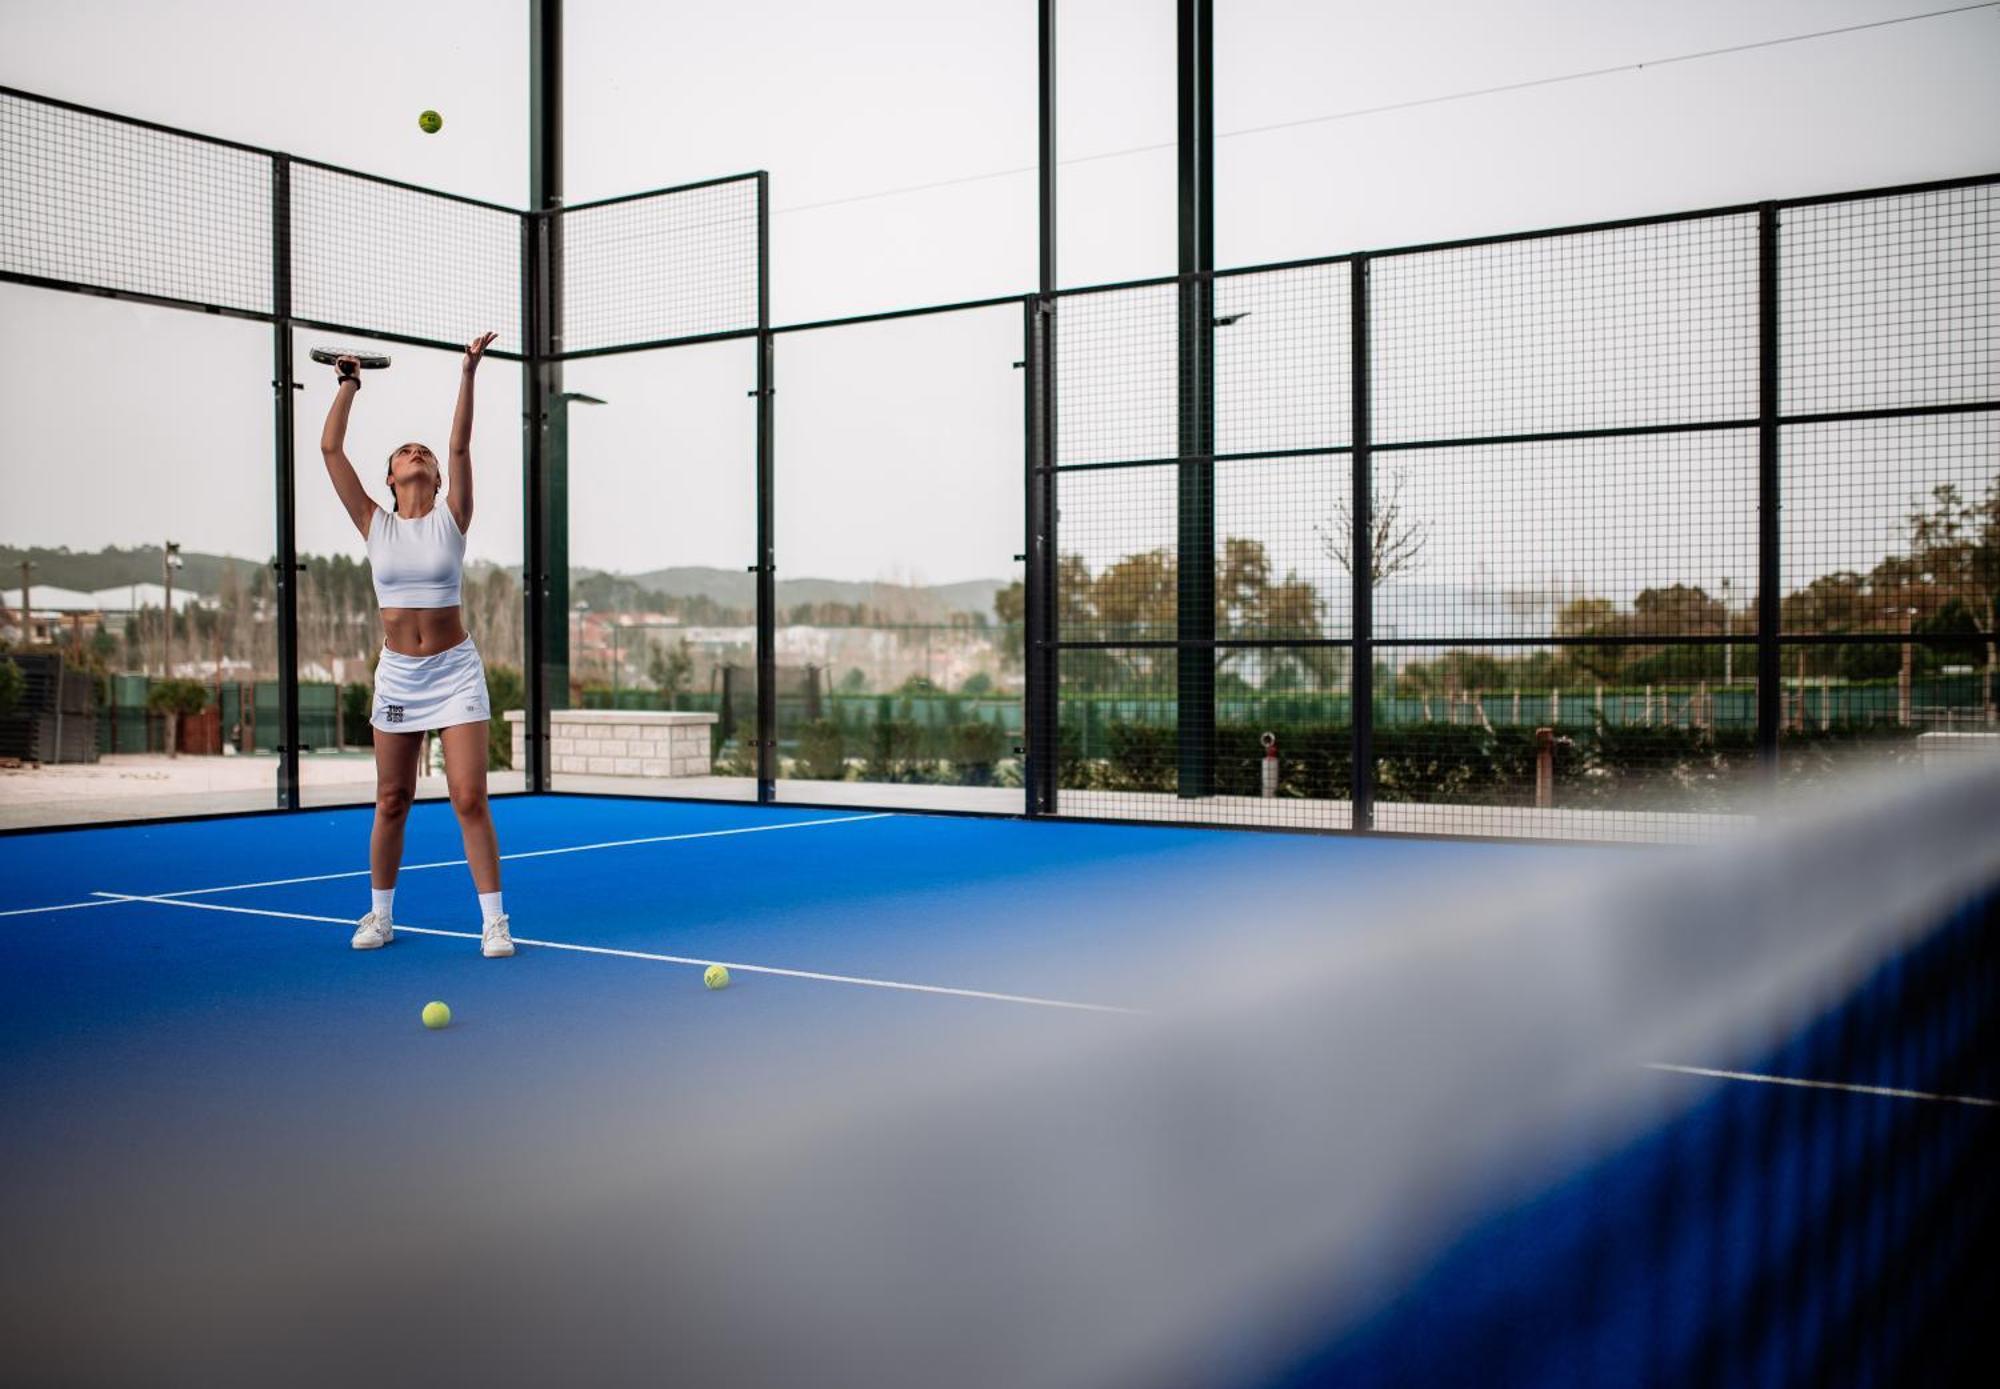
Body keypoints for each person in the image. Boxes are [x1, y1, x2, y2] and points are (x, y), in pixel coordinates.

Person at [319, 333, 512, 958]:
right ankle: (379, 916)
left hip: (455, 672)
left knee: (468, 796)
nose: (417, 453)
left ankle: (493, 922)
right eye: (405, 451)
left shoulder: (452, 518)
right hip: (400, 675)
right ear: (391, 477)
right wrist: (348, 384)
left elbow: (459, 441)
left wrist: (468, 372)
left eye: (421, 450)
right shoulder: (374, 522)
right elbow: (329, 448)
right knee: (393, 799)